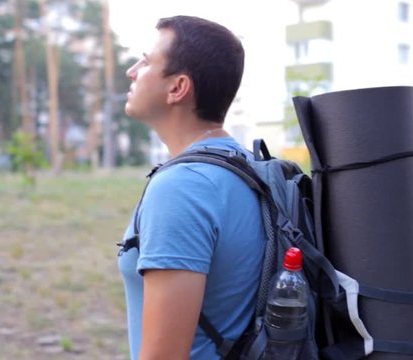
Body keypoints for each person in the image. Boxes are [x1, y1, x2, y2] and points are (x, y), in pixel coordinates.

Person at [117, 15, 265, 360]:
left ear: (177, 88)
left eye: (147, 61)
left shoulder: (182, 188)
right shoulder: (249, 169)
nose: (132, 71)